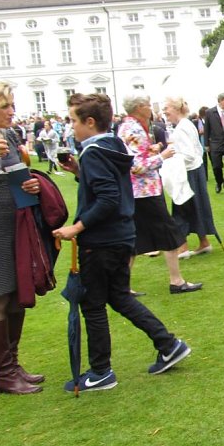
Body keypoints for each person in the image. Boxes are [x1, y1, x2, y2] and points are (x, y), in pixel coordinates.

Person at [52, 93, 192, 392]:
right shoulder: (111, 145)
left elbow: (107, 198)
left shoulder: (95, 152)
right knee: (119, 297)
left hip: (102, 240)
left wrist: (76, 227)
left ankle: (101, 371)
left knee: (92, 304)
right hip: (121, 235)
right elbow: (111, 187)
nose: (71, 127)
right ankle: (168, 345)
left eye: (74, 121)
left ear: (90, 122)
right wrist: (79, 172)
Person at [118, 95, 202, 294]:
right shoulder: (134, 129)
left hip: (138, 192)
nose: (151, 108)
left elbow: (135, 156)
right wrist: (162, 156)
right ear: (139, 107)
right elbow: (136, 166)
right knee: (169, 234)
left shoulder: (127, 126)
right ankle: (176, 281)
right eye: (148, 105)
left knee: (134, 238)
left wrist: (152, 150)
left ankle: (123, 287)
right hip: (145, 191)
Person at [0, 82, 45, 394]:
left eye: (12, 105)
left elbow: (18, 177)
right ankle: (4, 372)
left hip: (15, 223)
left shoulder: (10, 135)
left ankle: (14, 363)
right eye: (5, 107)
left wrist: (32, 186)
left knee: (16, 293)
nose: (12, 111)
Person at [163, 97, 218, 259]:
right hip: (194, 170)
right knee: (196, 206)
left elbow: (188, 154)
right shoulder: (187, 124)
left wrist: (170, 157)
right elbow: (197, 150)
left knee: (182, 208)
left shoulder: (182, 128)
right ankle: (203, 242)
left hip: (187, 173)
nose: (164, 111)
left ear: (176, 108)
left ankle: (183, 247)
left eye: (167, 108)